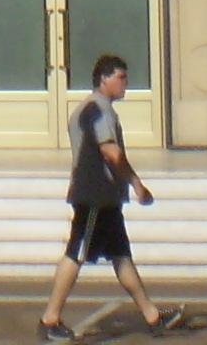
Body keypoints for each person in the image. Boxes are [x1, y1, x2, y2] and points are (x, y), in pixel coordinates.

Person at [38, 55, 183, 342]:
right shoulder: (98, 109)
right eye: (121, 77)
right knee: (76, 253)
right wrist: (137, 185)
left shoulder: (90, 108)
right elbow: (111, 153)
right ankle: (49, 319)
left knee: (121, 256)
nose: (125, 83)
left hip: (105, 199)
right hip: (95, 196)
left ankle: (152, 316)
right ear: (104, 79)